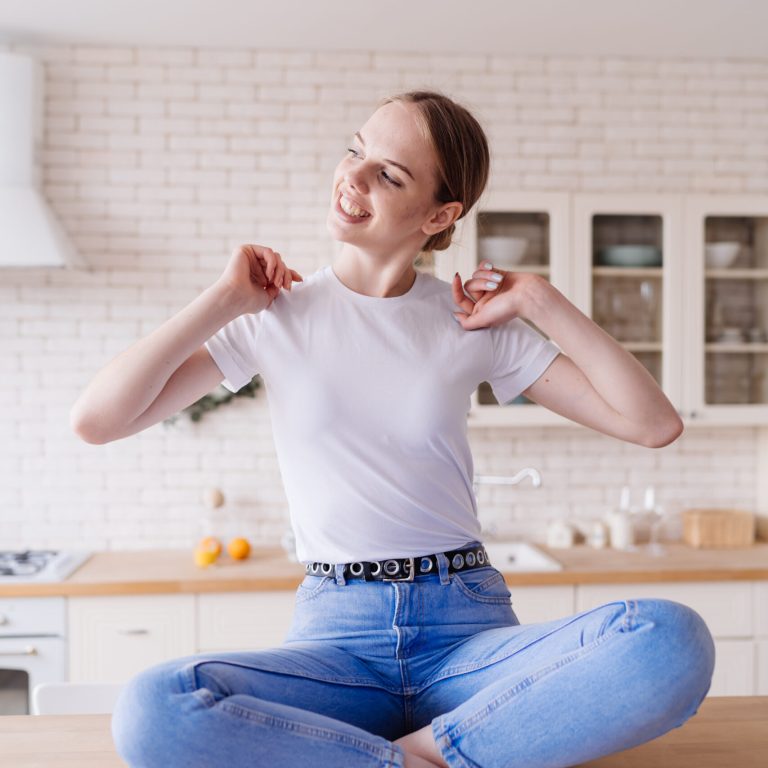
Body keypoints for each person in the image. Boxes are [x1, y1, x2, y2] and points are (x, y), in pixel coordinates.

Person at [71, 90, 714, 768]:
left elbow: (654, 424)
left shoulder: (470, 322)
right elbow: (98, 420)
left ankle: (405, 754)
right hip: (336, 641)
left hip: (467, 632)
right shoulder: (273, 316)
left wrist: (538, 300)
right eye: (355, 150)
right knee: (154, 709)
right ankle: (429, 758)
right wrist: (224, 300)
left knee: (670, 640)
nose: (353, 176)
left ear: (440, 215)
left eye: (389, 174)